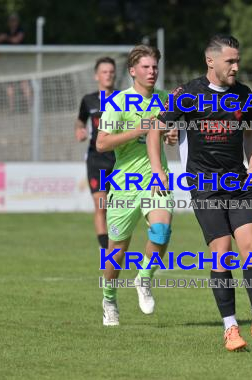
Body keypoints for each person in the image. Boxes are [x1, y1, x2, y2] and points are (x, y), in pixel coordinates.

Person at [148, 34, 252, 351]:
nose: (236, 66)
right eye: (230, 61)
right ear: (211, 61)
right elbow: (156, 126)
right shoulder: (190, 93)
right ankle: (231, 328)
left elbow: (250, 135)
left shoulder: (244, 94)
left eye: (238, 60)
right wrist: (157, 170)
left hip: (239, 183)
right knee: (221, 252)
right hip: (204, 187)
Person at [96, 45, 176, 326]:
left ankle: (144, 279)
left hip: (158, 178)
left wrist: (171, 135)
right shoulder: (118, 103)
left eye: (155, 67)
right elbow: (101, 143)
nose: (152, 71)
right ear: (133, 71)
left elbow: (170, 131)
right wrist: (139, 130)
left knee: (161, 231)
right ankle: (108, 298)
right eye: (146, 67)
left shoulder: (165, 99)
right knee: (117, 251)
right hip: (125, 184)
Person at [75, 57, 117, 251]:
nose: (108, 75)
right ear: (96, 76)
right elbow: (80, 121)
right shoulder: (88, 100)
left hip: (120, 160)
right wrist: (79, 130)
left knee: (120, 208)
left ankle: (118, 245)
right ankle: (105, 251)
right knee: (101, 206)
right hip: (97, 161)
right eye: (104, 72)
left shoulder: (123, 98)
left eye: (111, 71)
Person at [0, 13, 31, 111]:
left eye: (14, 20)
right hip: (9, 63)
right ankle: (11, 108)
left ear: (17, 21)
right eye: (11, 21)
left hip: (20, 62)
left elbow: (17, 40)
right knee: (10, 85)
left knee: (24, 83)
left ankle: (31, 107)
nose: (13, 23)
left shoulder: (20, 30)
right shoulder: (6, 32)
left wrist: (5, 38)